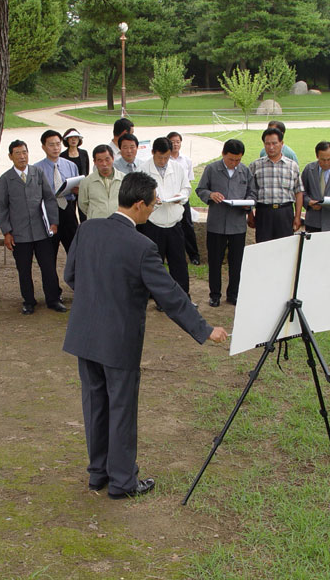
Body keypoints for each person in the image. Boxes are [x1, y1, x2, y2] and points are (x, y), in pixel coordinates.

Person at [63, 171, 228, 499]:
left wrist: (97, 299)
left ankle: (98, 473)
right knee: (121, 408)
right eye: (153, 206)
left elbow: (71, 275)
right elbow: (171, 295)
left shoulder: (88, 229)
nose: (153, 211)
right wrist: (205, 329)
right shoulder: (142, 246)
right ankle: (122, 481)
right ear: (138, 204)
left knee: (94, 404)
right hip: (118, 339)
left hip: (84, 334)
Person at [0, 140, 66, 315]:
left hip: (41, 230)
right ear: (10, 156)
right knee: (24, 269)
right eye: (18, 153)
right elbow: (3, 207)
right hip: (20, 233)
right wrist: (7, 231)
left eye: (24, 152)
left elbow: (49, 199)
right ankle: (28, 301)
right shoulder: (6, 179)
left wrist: (53, 222)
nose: (22, 156)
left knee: (48, 266)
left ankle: (53, 299)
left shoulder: (38, 173)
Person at [196, 139, 257, 307]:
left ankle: (234, 294)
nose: (234, 163)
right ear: (223, 154)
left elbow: (253, 193)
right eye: (231, 159)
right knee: (215, 261)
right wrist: (210, 195)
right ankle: (214, 294)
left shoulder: (245, 171)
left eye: (238, 160)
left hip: (237, 225)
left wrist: (249, 202)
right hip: (216, 224)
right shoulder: (211, 169)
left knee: (236, 262)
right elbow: (200, 189)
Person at [139, 137, 194, 304]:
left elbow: (186, 188)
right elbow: (140, 194)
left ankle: (183, 297)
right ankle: (160, 299)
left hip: (174, 222)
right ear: (153, 153)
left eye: (166, 157)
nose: (163, 161)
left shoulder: (177, 167)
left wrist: (180, 197)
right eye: (159, 157)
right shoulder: (143, 170)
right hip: (154, 223)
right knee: (156, 265)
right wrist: (151, 200)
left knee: (179, 262)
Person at [248, 127, 304, 243]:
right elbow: (249, 192)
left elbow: (298, 192)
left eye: (274, 143)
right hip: (264, 212)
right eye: (267, 144)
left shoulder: (292, 166)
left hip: (285, 212)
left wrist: (297, 216)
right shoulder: (255, 166)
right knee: (263, 246)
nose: (271, 147)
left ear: (282, 143)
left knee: (285, 248)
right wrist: (250, 214)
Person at [33, 130, 80, 262]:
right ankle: (51, 283)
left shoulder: (70, 165)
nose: (55, 148)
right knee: (49, 254)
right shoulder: (37, 169)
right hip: (48, 213)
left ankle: (77, 282)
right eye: (51, 145)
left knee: (75, 251)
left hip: (68, 210)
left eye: (58, 144)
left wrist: (77, 190)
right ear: (43, 147)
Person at [168, 131, 201, 265]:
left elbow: (189, 181)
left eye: (178, 141)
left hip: (182, 199)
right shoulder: (165, 159)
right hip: (168, 200)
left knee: (187, 226)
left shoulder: (186, 160)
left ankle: (194, 255)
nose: (175, 144)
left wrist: (183, 196)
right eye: (172, 141)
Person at [78, 145, 125, 220]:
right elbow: (83, 204)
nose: (104, 164)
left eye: (107, 159)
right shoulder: (86, 182)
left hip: (118, 222)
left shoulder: (124, 179)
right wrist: (95, 213)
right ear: (95, 162)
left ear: (113, 159)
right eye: (100, 160)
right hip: (96, 223)